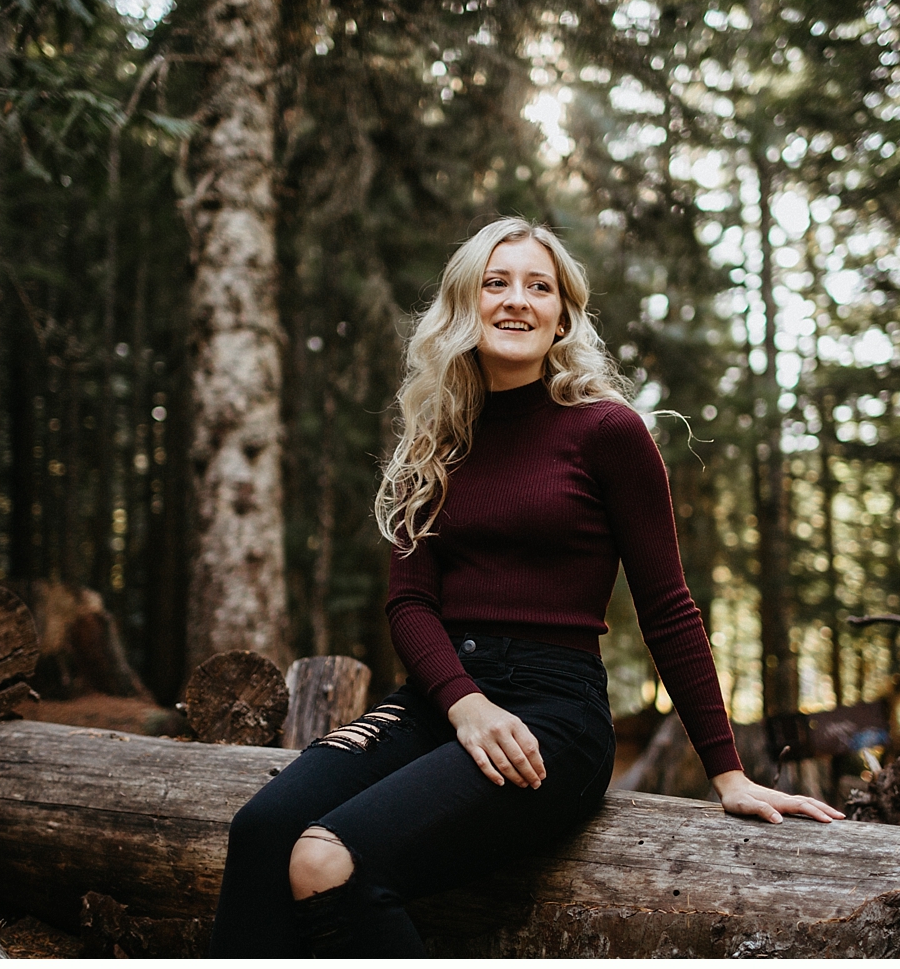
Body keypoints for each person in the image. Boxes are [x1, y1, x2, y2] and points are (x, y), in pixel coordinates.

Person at [209, 217, 843, 957]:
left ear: (563, 314)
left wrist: (728, 772)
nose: (517, 300)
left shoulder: (608, 431)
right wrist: (465, 703)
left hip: (554, 719)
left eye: (538, 286)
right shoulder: (433, 441)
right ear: (463, 304)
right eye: (495, 282)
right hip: (440, 700)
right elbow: (409, 602)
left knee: (326, 860)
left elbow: (668, 607)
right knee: (260, 829)